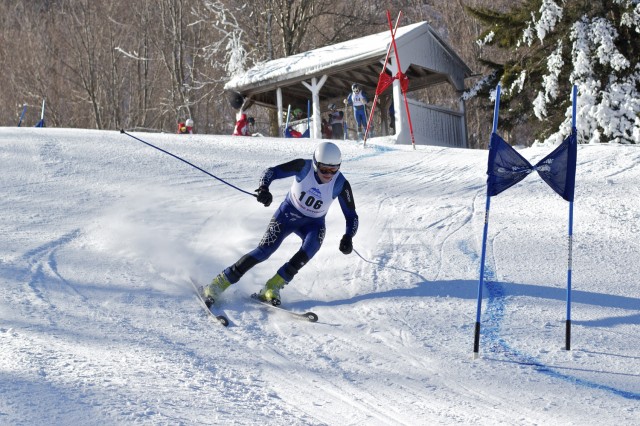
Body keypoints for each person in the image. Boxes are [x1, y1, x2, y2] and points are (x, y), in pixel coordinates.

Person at [202, 142, 358, 307]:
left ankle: (272, 286)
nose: (329, 174)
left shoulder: (341, 184)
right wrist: (264, 188)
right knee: (264, 251)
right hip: (287, 215)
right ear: (314, 163)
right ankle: (218, 283)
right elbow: (271, 172)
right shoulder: (303, 167)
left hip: (314, 224)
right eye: (324, 169)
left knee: (311, 247)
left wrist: (348, 237)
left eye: (334, 169)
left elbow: (352, 216)